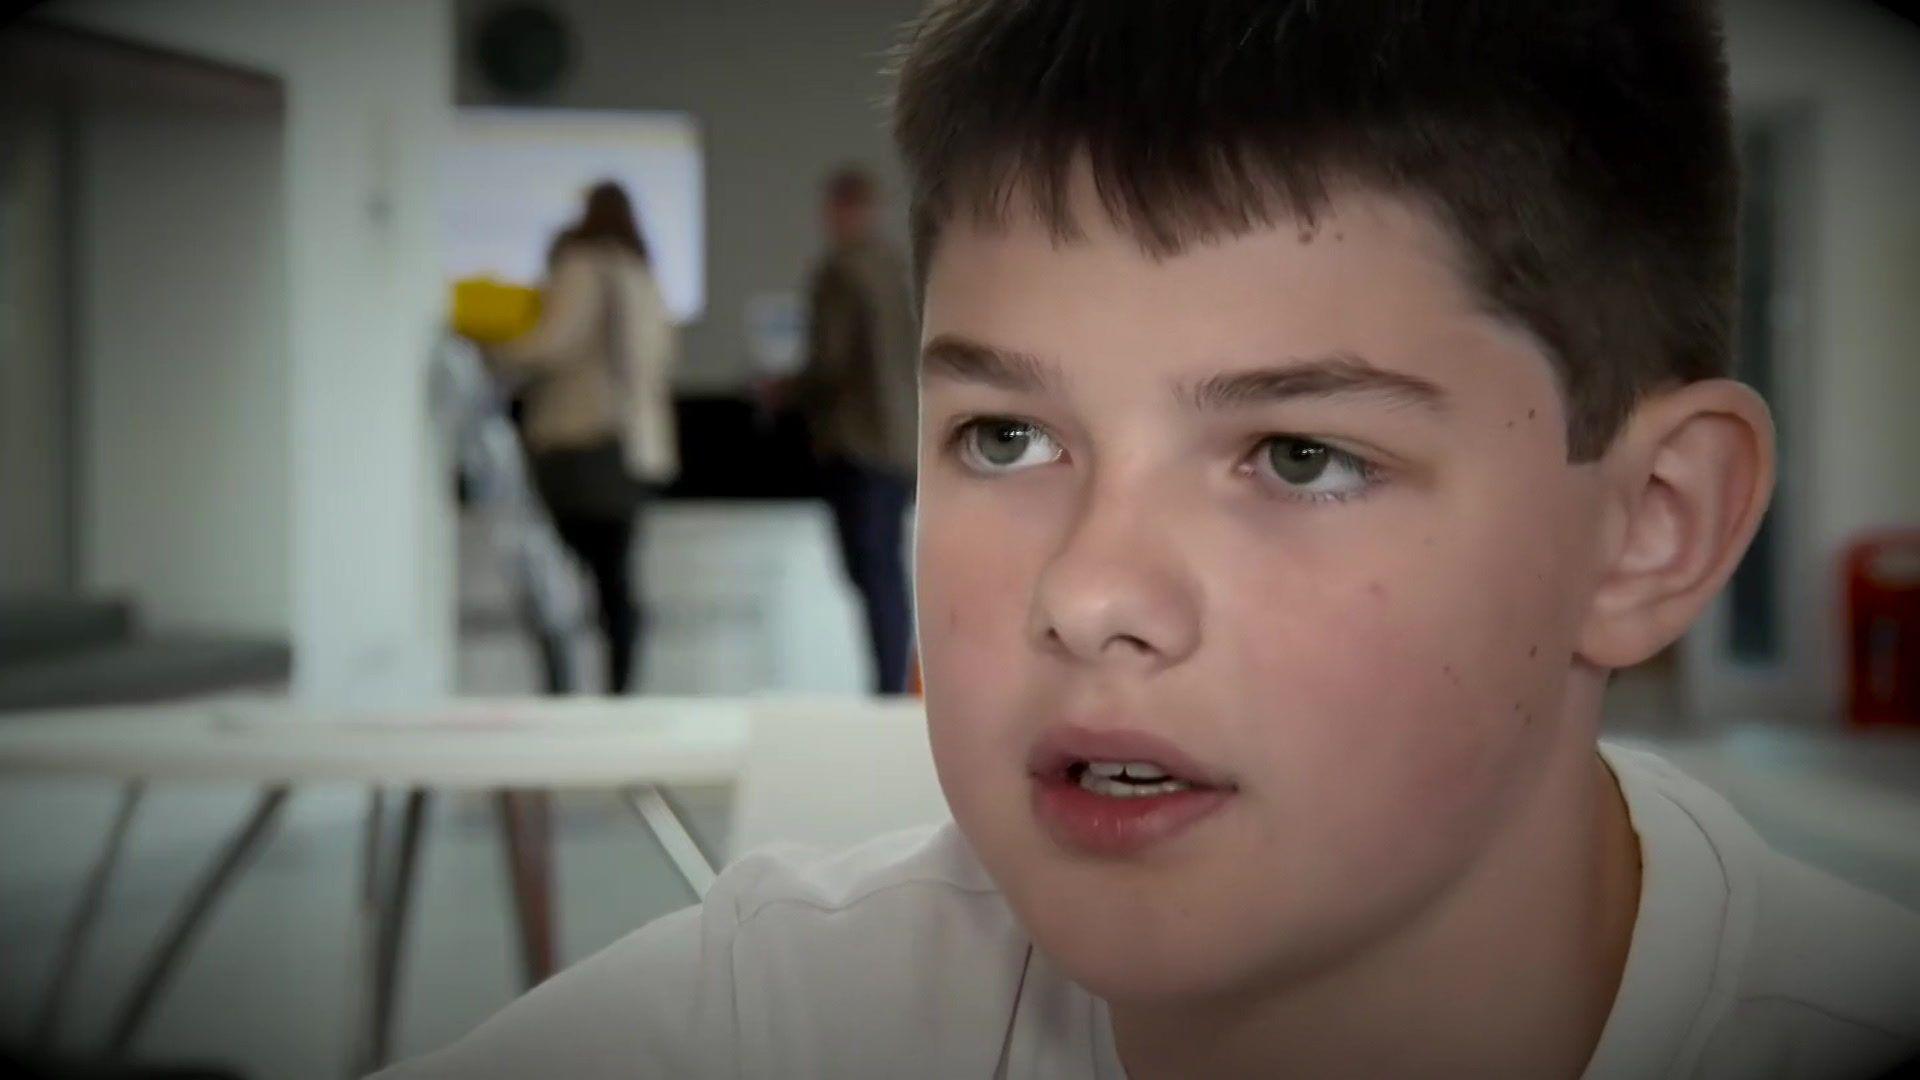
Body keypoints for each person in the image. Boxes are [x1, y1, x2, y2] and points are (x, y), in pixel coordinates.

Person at [379, 3, 1920, 1078]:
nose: (1089, 592)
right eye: (1008, 438)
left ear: (1649, 529)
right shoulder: (782, 1014)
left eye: (1299, 454)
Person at [487, 181, 678, 695]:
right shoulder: (642, 273)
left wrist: (493, 349)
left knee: (563, 582)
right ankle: (620, 693)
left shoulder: (582, 266)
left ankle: (565, 692)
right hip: (633, 451)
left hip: (581, 444)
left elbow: (553, 343)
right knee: (616, 582)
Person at [789, 166, 921, 694]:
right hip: (900, 436)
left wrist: (787, 390)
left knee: (870, 570)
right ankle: (894, 683)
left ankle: (889, 686)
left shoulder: (840, 271)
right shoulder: (899, 267)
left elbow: (831, 363)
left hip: (856, 438)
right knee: (887, 570)